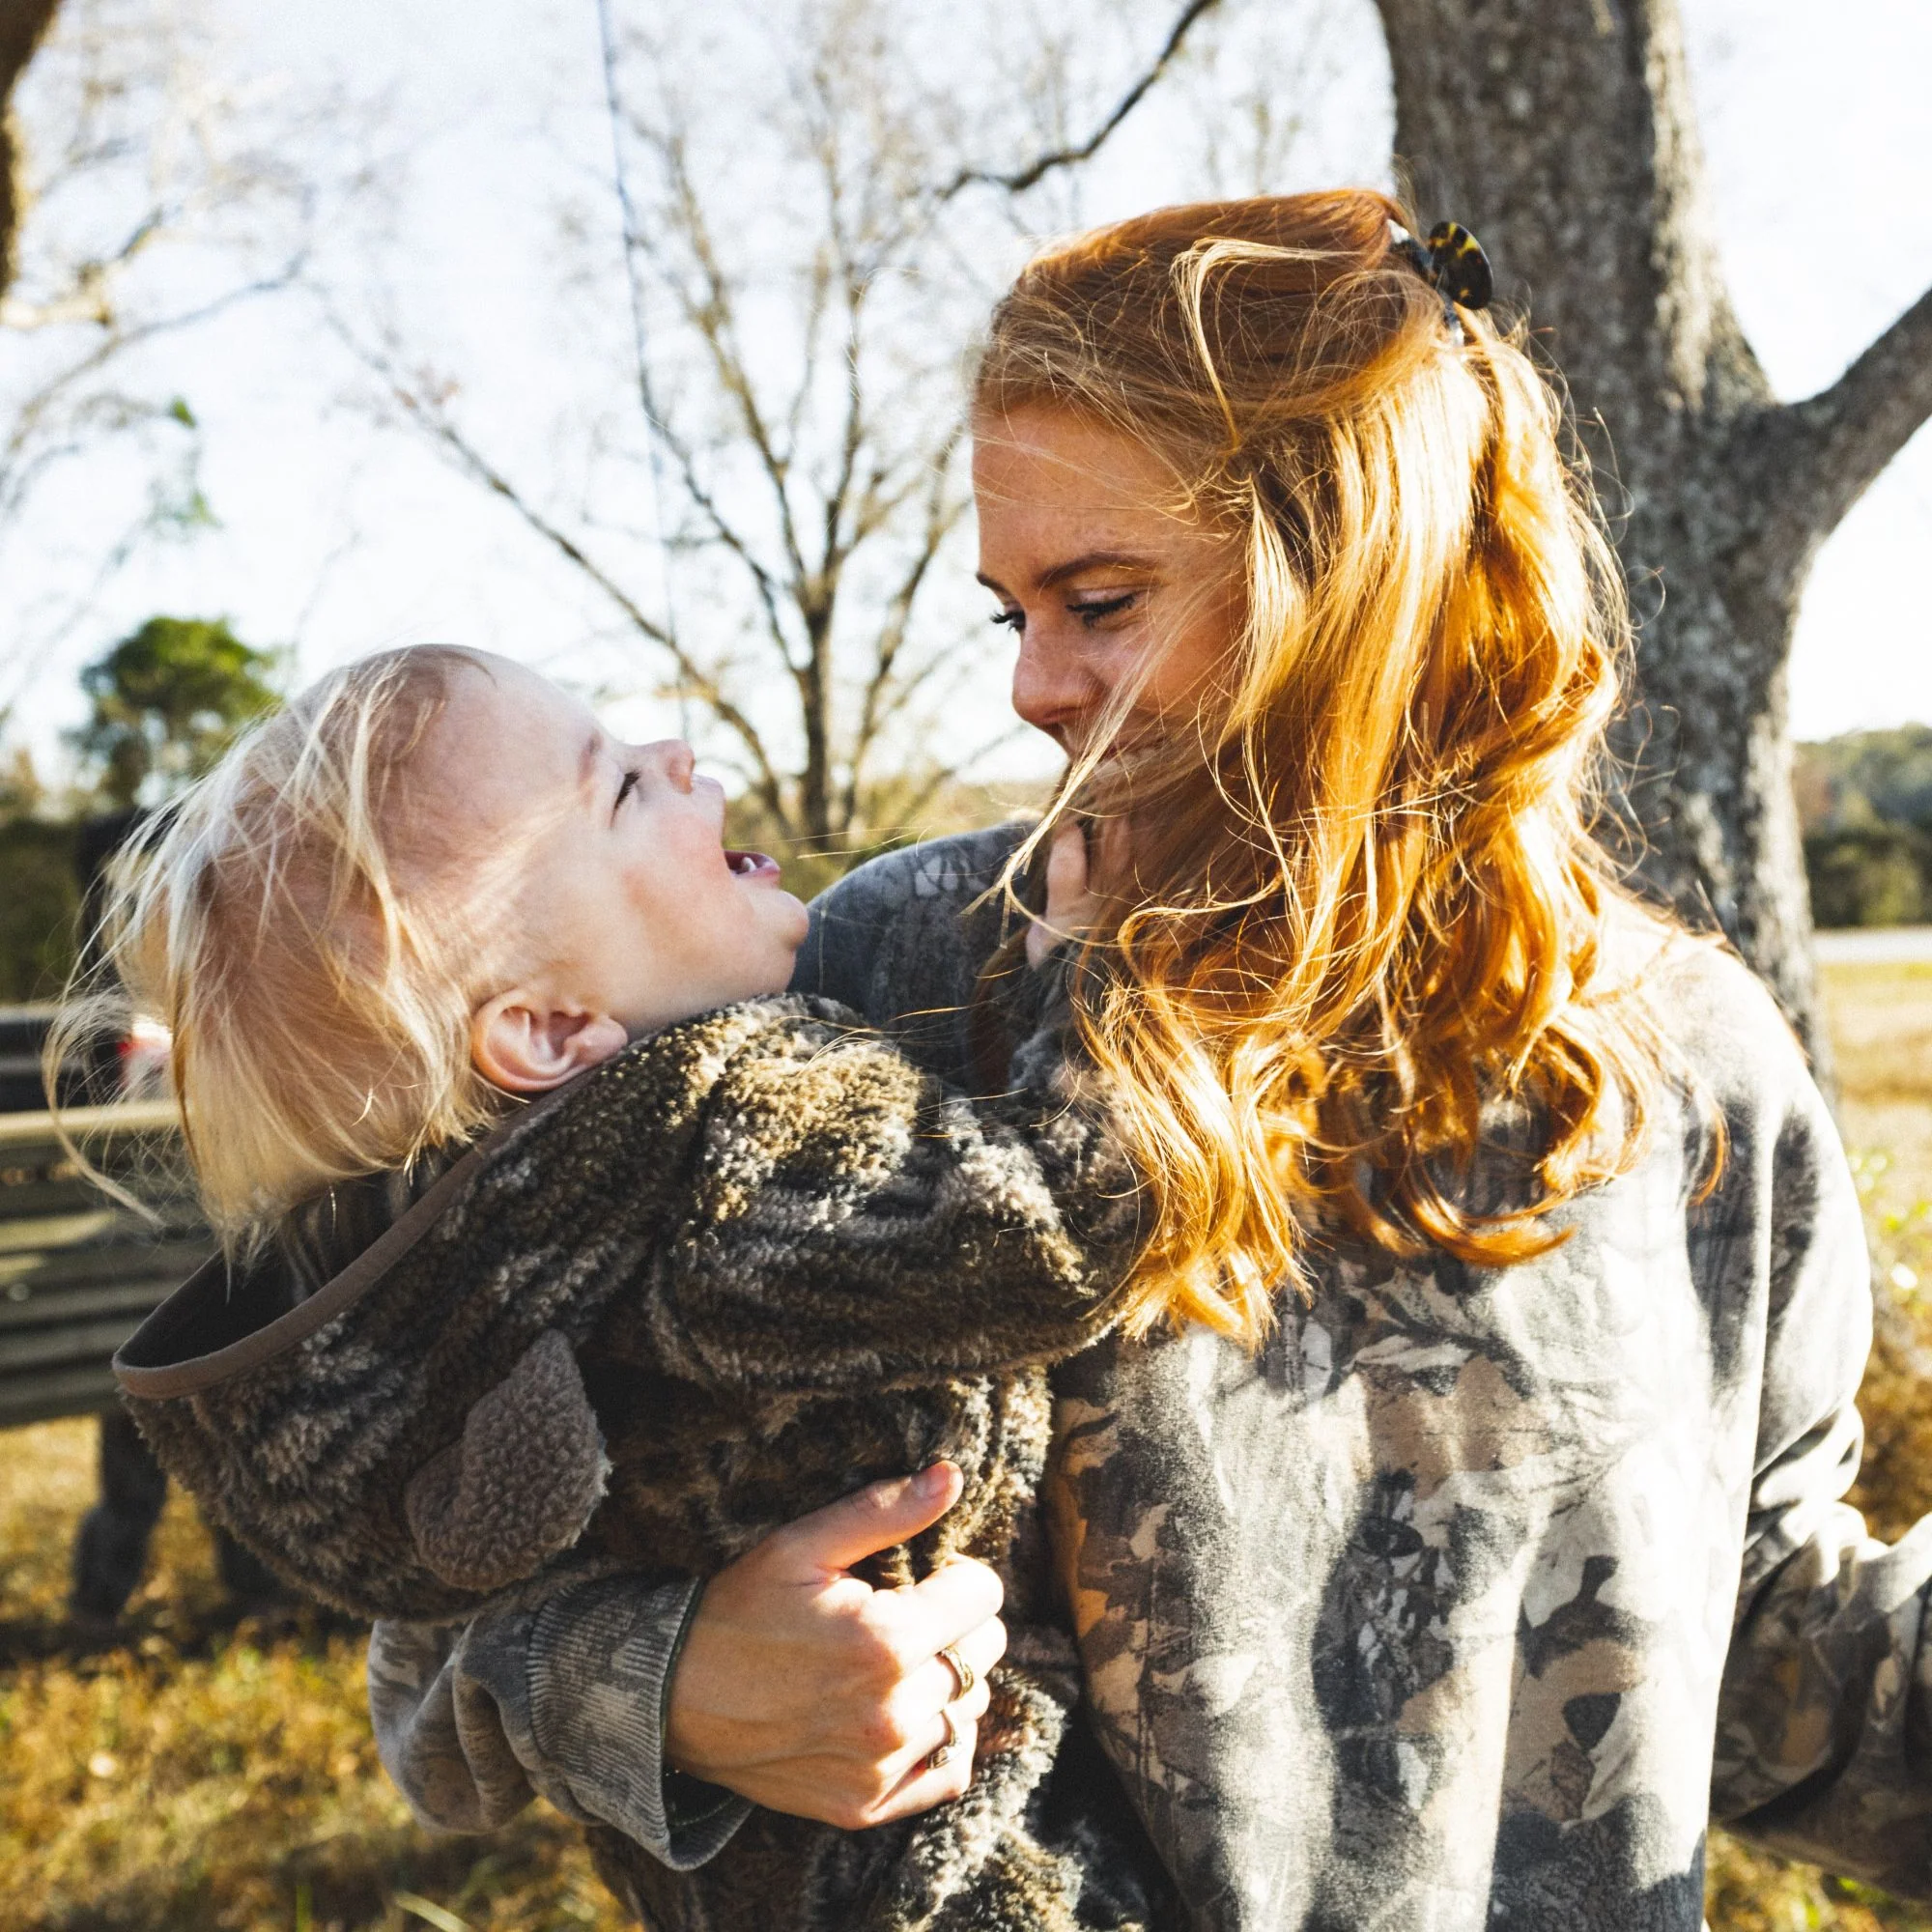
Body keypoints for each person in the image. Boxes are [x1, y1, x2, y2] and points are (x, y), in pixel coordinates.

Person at [368, 190, 1930, 1928]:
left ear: (1358, 575)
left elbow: (1768, 1628)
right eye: (1006, 614)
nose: (1035, 686)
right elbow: (438, 1617)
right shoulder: (890, 983)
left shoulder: (1687, 1062)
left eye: (1098, 599)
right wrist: (663, 1685)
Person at [93, 643, 1172, 1928]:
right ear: (550, 1030)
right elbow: (1046, 1240)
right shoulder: (712, 1136)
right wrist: (1109, 970)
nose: (677, 754)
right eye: (617, 791)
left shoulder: (481, 1243)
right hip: (940, 1849)